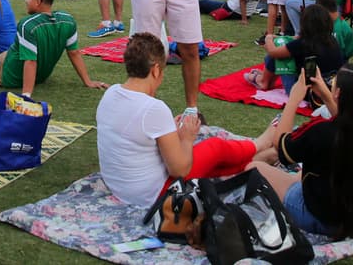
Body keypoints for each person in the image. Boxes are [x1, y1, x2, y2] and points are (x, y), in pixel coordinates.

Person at [95, 32, 274, 208]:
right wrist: (187, 138)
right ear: (156, 70)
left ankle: (256, 160)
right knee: (214, 148)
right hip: (151, 194)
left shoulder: (111, 93)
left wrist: (169, 130)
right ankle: (259, 144)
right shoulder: (153, 108)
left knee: (209, 162)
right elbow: (180, 170)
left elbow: (136, 133)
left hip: (119, 187)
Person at [251, 64, 353, 240]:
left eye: (333, 82)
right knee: (305, 169)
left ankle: (258, 155)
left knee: (254, 167)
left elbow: (282, 146)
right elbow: (345, 124)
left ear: (339, 93)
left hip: (322, 218)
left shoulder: (322, 132)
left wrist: (294, 99)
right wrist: (326, 95)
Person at [0, 0, 105, 96]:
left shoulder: (28, 24)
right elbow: (74, 53)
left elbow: (30, 61)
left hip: (9, 73)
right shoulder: (67, 20)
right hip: (28, 69)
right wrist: (88, 81)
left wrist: (26, 95)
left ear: (38, 1)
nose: (26, 1)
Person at [254, 4, 347, 93]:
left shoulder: (303, 43)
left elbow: (273, 52)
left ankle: (263, 81)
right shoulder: (332, 40)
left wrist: (269, 37)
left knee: (279, 50)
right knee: (283, 48)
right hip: (330, 85)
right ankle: (264, 78)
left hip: (303, 91)